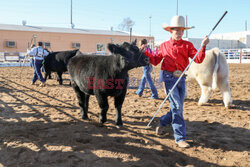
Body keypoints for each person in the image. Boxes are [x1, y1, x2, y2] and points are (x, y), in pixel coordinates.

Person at [146, 15, 209, 148]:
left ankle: (162, 123)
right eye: (176, 30)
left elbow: (198, 59)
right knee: (177, 107)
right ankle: (180, 138)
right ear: (171, 31)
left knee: (177, 108)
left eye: (181, 30)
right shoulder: (164, 45)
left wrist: (203, 47)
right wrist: (147, 52)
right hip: (169, 79)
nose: (179, 33)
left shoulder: (187, 45)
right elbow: (156, 60)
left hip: (181, 79)